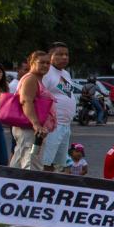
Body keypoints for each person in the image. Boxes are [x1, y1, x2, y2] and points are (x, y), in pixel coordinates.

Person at [9, 51, 55, 170]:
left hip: (31, 129)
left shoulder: (37, 79)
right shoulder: (30, 79)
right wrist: (36, 124)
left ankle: (13, 179)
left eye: (48, 63)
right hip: (30, 129)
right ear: (32, 63)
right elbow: (26, 101)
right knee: (31, 164)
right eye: (41, 62)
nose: (45, 65)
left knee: (19, 162)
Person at [41, 42, 76, 172]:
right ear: (50, 55)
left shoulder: (65, 74)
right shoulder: (46, 72)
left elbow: (65, 94)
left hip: (65, 125)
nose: (64, 57)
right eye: (60, 54)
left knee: (58, 163)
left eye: (66, 54)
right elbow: (39, 97)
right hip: (52, 125)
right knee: (46, 161)